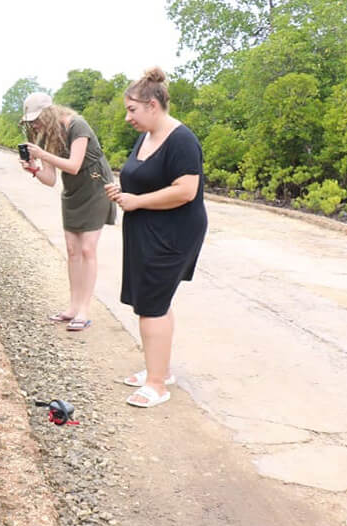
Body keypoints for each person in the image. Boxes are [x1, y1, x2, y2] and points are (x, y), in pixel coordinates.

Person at [104, 67, 207, 409]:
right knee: (154, 302)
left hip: (172, 234)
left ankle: (157, 384)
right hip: (146, 229)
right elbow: (147, 178)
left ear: (152, 105)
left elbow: (186, 190)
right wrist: (123, 191)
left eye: (131, 109)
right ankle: (158, 369)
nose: (127, 117)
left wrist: (138, 201)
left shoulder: (181, 140)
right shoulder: (147, 136)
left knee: (152, 305)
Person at [19, 92, 116, 332]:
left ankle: (84, 310)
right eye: (32, 123)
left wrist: (41, 154)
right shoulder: (49, 136)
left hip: (96, 188)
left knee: (87, 249)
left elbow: (73, 165)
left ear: (49, 113)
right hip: (72, 193)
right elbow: (51, 179)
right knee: (73, 251)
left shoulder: (77, 125)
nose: (35, 126)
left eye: (37, 120)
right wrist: (33, 168)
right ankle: (72, 307)